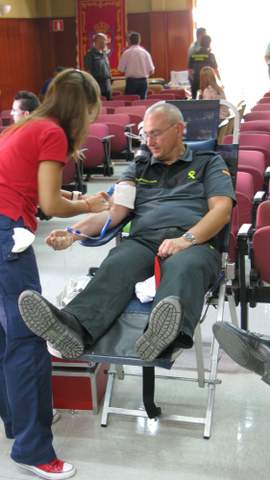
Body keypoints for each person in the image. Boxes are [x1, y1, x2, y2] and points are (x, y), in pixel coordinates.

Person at [18, 101, 235, 367]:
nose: (149, 141)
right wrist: (73, 233)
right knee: (117, 263)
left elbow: (221, 210)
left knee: (184, 267)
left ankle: (163, 336)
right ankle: (73, 328)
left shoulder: (209, 162)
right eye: (145, 134)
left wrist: (185, 240)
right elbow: (116, 211)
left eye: (156, 133)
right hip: (144, 241)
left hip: (194, 243)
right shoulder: (139, 167)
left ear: (179, 129)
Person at [0, 68, 111, 479]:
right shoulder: (53, 134)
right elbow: (48, 203)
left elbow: (27, 185)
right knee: (29, 339)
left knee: (6, 334)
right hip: (6, 235)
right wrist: (88, 208)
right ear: (81, 108)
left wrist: (78, 197)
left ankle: (17, 423)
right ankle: (33, 449)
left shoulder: (24, 126)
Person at [118, 31, 155, 99]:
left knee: (130, 103)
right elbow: (152, 71)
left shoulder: (126, 53)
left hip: (131, 82)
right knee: (142, 103)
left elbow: (120, 70)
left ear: (129, 41)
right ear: (139, 40)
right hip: (143, 82)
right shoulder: (145, 53)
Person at [188, 34, 221, 99]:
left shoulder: (193, 55)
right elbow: (215, 70)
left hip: (196, 83)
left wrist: (195, 80)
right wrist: (220, 81)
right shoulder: (210, 55)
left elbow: (190, 71)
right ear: (209, 43)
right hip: (208, 83)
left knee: (195, 104)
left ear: (201, 43)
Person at [84, 32, 112, 100]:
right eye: (105, 40)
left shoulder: (104, 54)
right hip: (97, 84)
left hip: (107, 84)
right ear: (98, 41)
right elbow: (88, 71)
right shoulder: (90, 54)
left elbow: (108, 68)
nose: (106, 43)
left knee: (109, 104)